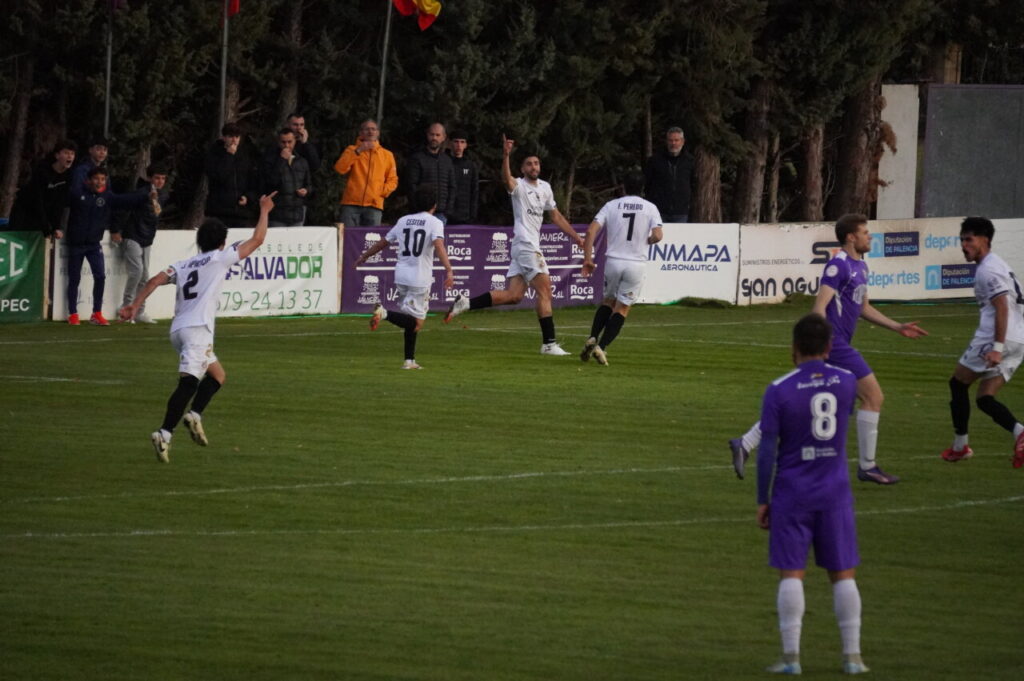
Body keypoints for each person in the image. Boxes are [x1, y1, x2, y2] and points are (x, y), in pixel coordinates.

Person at [730, 213, 928, 484]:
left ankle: (746, 442)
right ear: (851, 237)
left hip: (837, 345)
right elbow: (819, 307)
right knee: (873, 397)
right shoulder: (839, 265)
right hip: (834, 345)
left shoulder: (861, 266)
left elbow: (864, 308)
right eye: (864, 232)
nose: (869, 236)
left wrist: (897, 326)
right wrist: (820, 346)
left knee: (808, 403)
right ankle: (867, 467)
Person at [119, 192, 277, 463]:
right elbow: (258, 240)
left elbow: (156, 279)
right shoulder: (220, 258)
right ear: (222, 242)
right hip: (197, 330)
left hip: (178, 330)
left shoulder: (183, 264)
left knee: (217, 377)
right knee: (189, 382)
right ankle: (164, 433)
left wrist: (136, 305)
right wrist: (264, 210)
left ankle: (194, 415)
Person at [756, 313, 869, 676]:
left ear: (794, 348)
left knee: (792, 574)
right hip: (835, 492)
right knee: (843, 574)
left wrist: (763, 498)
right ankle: (853, 658)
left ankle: (791, 658)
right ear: (830, 347)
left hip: (793, 491)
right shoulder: (848, 382)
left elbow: (768, 450)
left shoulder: (779, 389)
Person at [445, 134, 585, 356]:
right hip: (526, 245)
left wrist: (576, 237)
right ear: (523, 168)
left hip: (524, 247)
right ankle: (549, 343)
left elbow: (556, 216)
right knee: (545, 292)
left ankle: (466, 303)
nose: (533, 166)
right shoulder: (518, 186)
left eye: (536, 163)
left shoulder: (546, 188)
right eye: (529, 163)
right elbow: (506, 178)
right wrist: (506, 155)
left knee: (514, 296)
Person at [941, 217, 1024, 467]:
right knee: (984, 397)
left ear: (984, 240)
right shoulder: (998, 264)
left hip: (996, 339)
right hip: (1019, 340)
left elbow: (1001, 307)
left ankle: (960, 447)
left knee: (957, 384)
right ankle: (1020, 432)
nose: (964, 245)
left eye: (969, 239)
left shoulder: (988, 269)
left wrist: (997, 348)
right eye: (962, 240)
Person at [354, 184, 454, 370]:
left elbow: (384, 242)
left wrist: (364, 256)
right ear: (434, 205)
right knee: (416, 323)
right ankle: (384, 313)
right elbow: (438, 245)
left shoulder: (403, 220)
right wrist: (449, 269)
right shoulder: (435, 222)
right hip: (419, 277)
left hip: (401, 275)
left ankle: (409, 361)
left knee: (409, 319)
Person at [580, 170, 663, 366]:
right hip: (636, 263)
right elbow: (658, 235)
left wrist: (587, 259)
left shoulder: (611, 205)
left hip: (614, 262)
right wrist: (647, 240)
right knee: (623, 307)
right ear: (642, 188)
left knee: (608, 302)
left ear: (624, 186)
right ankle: (602, 346)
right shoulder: (650, 207)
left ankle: (592, 337)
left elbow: (591, 230)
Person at [65, 167, 154, 326]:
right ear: (89, 180)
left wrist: (145, 194)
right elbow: (61, 206)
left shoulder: (107, 196)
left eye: (103, 179)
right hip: (76, 244)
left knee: (100, 277)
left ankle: (96, 313)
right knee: (74, 278)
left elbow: (126, 200)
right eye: (97, 179)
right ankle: (73, 313)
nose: (99, 182)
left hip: (93, 244)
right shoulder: (77, 194)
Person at [119, 165, 170, 324]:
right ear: (150, 178)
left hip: (147, 239)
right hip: (132, 235)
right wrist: (116, 229)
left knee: (145, 275)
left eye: (162, 178)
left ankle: (139, 311)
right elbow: (124, 207)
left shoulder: (163, 195)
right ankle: (126, 307)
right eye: (157, 178)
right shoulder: (141, 193)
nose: (160, 181)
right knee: (137, 271)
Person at [333, 119, 398, 227]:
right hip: (351, 204)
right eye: (367, 129)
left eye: (373, 129)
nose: (370, 132)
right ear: (361, 133)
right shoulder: (352, 149)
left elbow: (393, 180)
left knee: (370, 241)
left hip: (374, 205)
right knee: (349, 239)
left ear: (378, 133)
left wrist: (381, 192)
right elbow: (340, 168)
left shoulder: (387, 155)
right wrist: (358, 151)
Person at [7, 140, 76, 236]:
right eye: (66, 153)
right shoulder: (42, 171)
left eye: (72, 154)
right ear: (57, 156)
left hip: (43, 213)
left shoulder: (69, 175)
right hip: (25, 211)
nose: (70, 156)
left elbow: (60, 202)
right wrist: (45, 226)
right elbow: (37, 200)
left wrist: (56, 226)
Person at [204, 122, 259, 227]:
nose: (234, 140)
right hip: (220, 211)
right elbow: (218, 176)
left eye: (237, 137)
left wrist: (248, 197)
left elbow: (252, 180)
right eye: (231, 136)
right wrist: (229, 156)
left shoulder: (245, 155)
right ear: (224, 137)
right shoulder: (214, 154)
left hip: (241, 211)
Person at [405, 122, 457, 224]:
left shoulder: (447, 161)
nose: (434, 138)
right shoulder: (417, 158)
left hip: (441, 214)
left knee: (438, 240)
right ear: (427, 135)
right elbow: (411, 185)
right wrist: (418, 208)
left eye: (438, 135)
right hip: (420, 213)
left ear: (443, 137)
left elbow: (452, 186)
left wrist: (448, 210)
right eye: (432, 134)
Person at [643, 126, 694, 223]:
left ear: (682, 141)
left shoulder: (689, 161)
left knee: (679, 238)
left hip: (681, 211)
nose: (673, 143)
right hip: (658, 211)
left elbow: (693, 183)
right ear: (666, 141)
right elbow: (648, 183)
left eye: (676, 140)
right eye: (670, 140)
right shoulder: (655, 160)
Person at [262, 128, 311, 226]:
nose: (287, 145)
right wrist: (281, 160)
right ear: (278, 142)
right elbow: (270, 182)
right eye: (283, 142)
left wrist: (306, 190)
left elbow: (309, 184)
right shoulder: (270, 159)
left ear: (295, 141)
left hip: (297, 213)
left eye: (290, 142)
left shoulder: (302, 161)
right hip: (277, 214)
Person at [445, 129, 479, 225]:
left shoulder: (471, 166)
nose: (459, 145)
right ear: (450, 143)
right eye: (456, 141)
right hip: (445, 214)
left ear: (466, 145)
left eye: (462, 142)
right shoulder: (443, 163)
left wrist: (473, 214)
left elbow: (474, 191)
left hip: (465, 215)